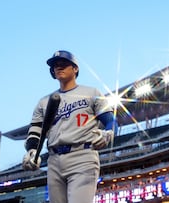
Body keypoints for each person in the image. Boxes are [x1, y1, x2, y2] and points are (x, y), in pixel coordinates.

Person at [22, 50, 117, 203]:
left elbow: (111, 121)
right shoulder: (43, 102)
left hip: (82, 156)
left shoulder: (91, 92)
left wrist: (108, 133)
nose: (58, 67)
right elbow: (35, 132)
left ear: (75, 68)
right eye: (55, 65)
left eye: (63, 63)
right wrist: (32, 151)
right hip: (53, 160)